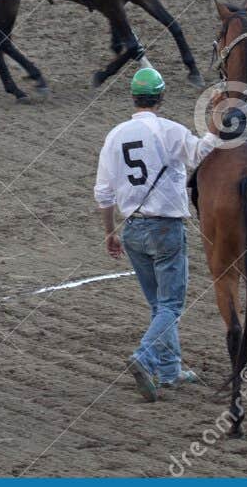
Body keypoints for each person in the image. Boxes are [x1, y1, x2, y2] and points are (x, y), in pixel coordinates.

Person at [94, 67, 219, 401]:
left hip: (131, 228)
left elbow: (103, 194)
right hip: (166, 228)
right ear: (161, 97)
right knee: (171, 305)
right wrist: (215, 126)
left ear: (134, 98)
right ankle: (145, 357)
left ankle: (169, 369)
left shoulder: (115, 135)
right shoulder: (169, 130)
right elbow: (200, 154)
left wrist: (110, 232)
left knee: (158, 305)